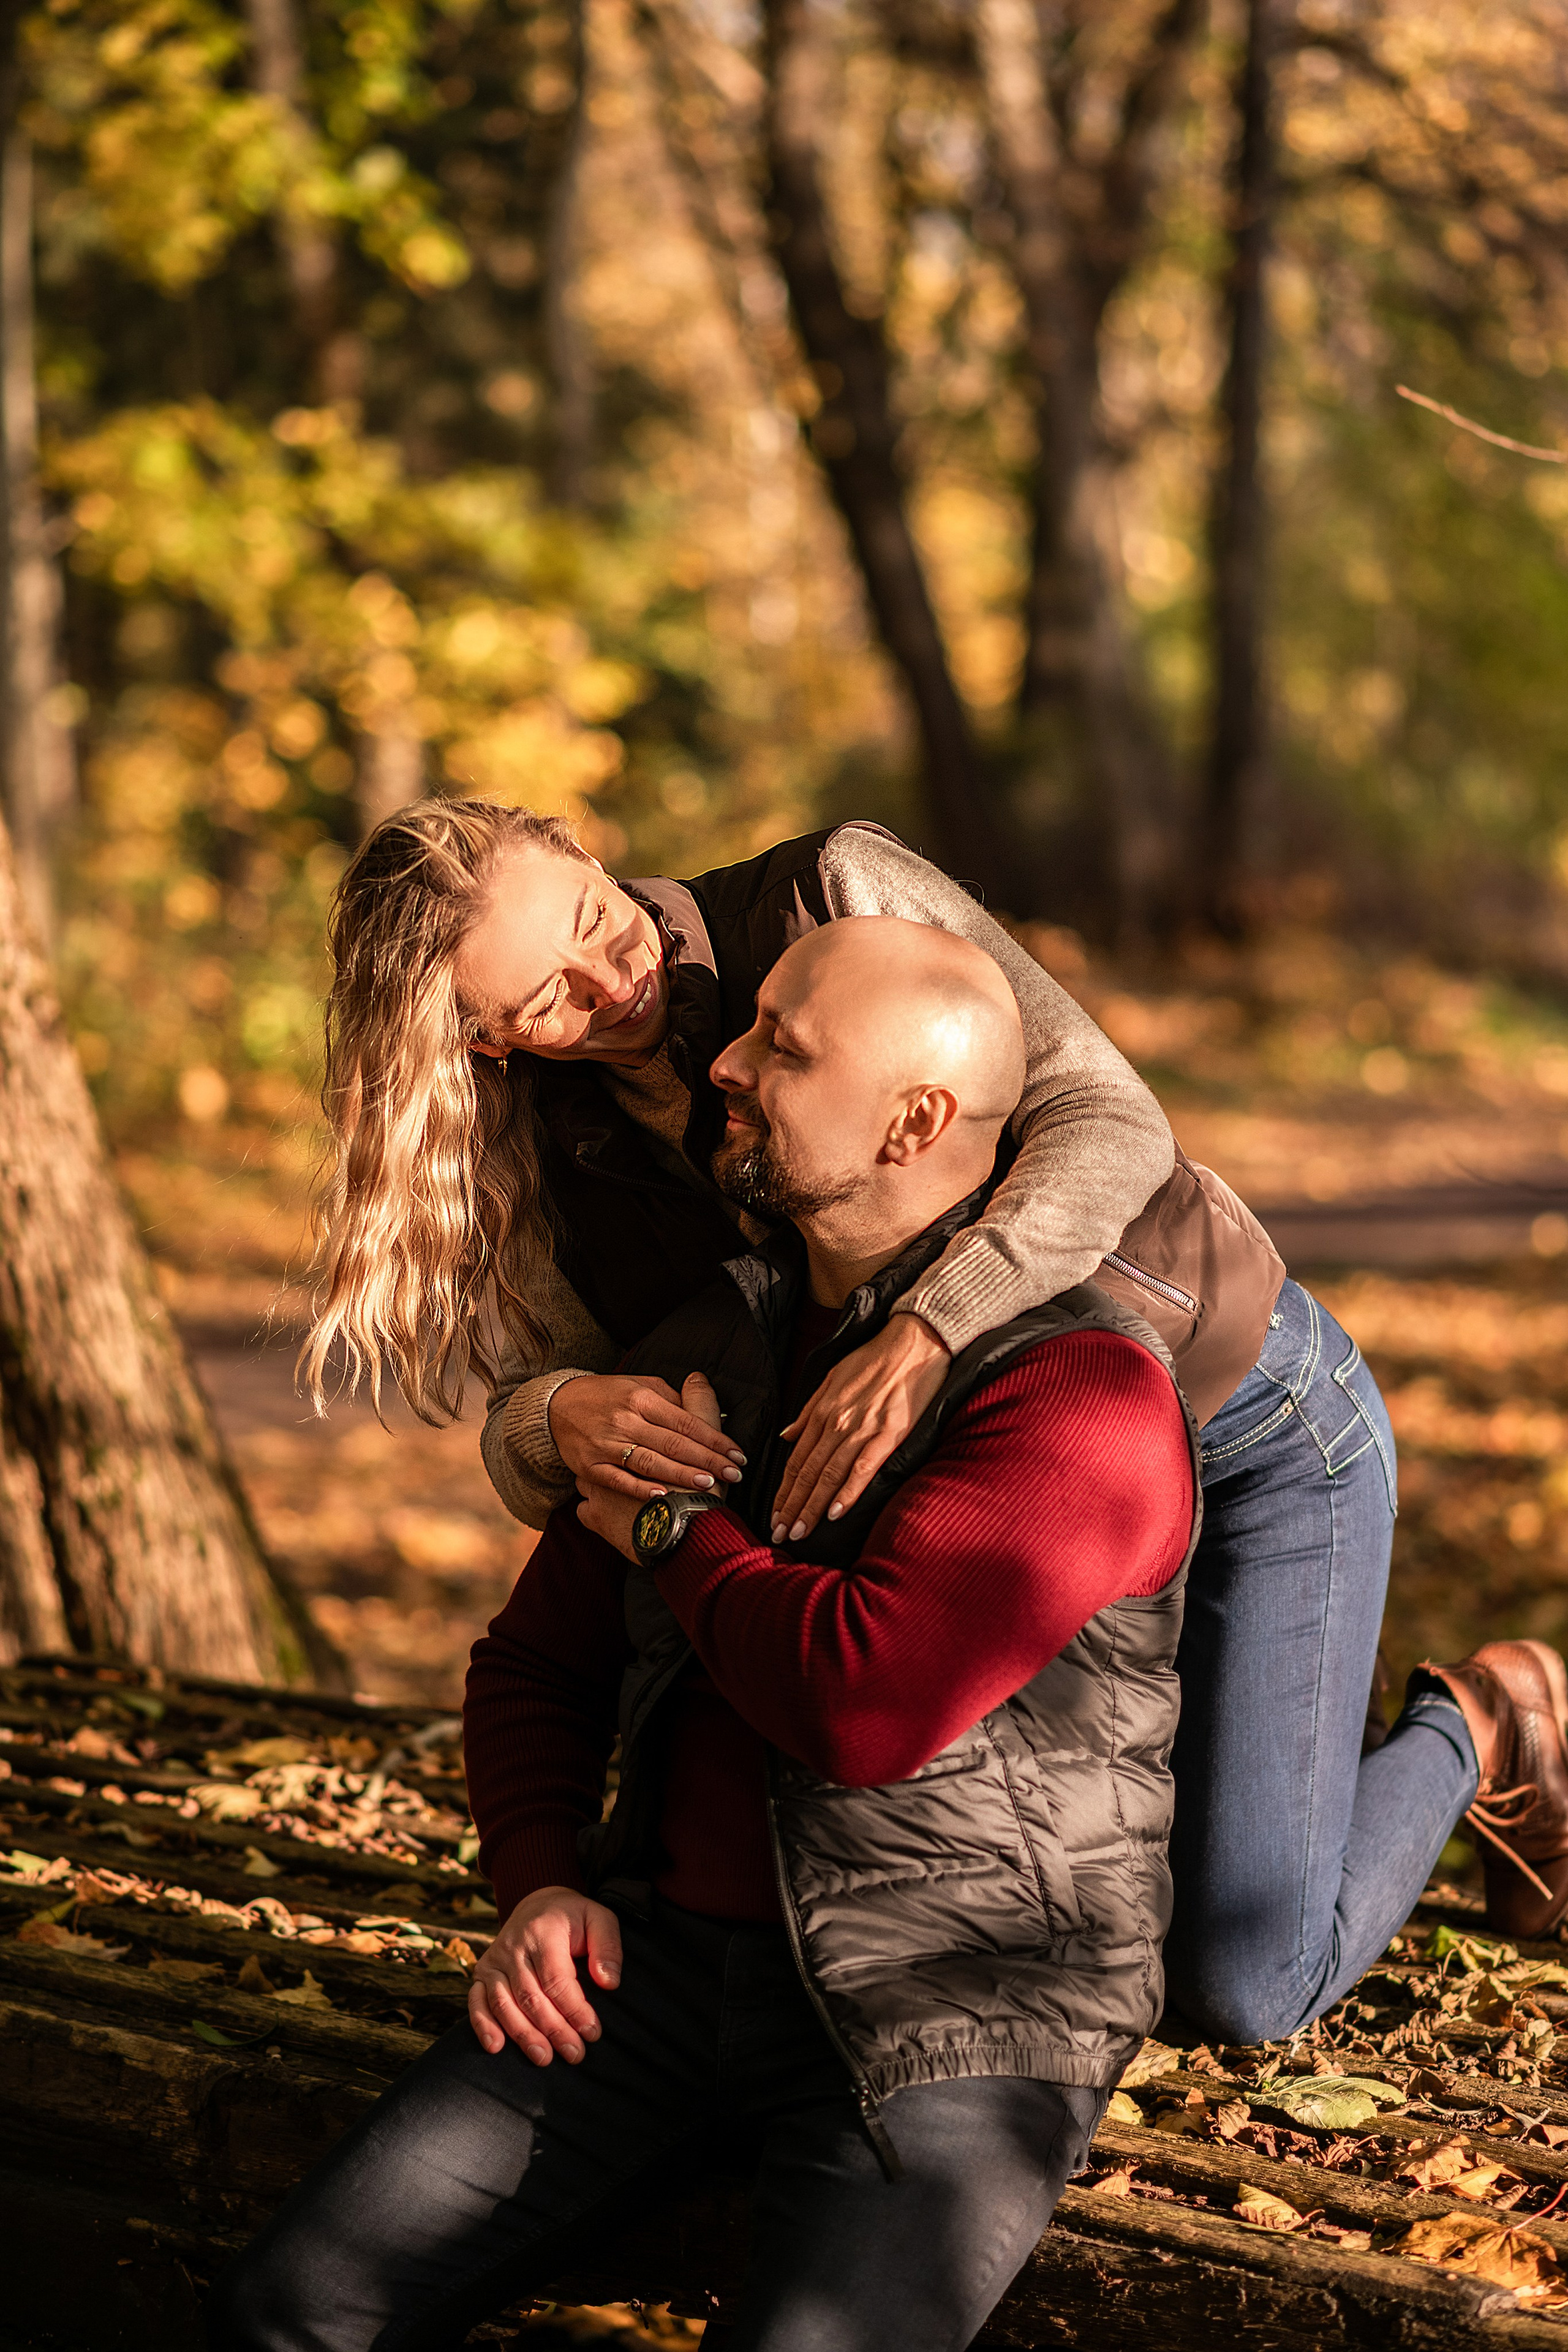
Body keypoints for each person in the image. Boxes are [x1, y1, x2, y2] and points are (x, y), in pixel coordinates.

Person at [303, 801, 1568, 2034]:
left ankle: (1480, 1720)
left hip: (1231, 1412)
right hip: (993, 1523)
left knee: (1243, 1982)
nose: (611, 979)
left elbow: (1110, 1119)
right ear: (481, 1043)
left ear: (587, 848)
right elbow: (561, 1435)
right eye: (546, 1001)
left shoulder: (826, 897)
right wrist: (555, 1416)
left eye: (592, 913)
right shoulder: (532, 1152)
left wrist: (930, 1324)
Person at [217, 917, 1202, 2351]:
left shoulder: (1075, 1394)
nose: (724, 1061)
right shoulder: (714, 1340)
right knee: (289, 2308)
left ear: (913, 1121)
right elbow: (535, 1661)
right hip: (656, 1978)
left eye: (783, 1048)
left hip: (948, 2016)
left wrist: (672, 1533)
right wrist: (540, 1883)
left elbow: (860, 1703)